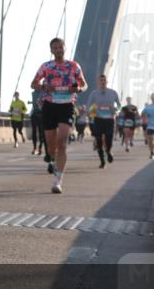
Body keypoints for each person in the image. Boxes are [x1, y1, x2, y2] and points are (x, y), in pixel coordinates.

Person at [30, 38, 86, 194]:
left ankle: (58, 181)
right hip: (49, 106)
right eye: (55, 48)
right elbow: (33, 84)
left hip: (67, 106)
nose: (58, 50)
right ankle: (52, 158)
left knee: (62, 142)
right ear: (51, 50)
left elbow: (84, 84)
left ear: (64, 48)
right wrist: (43, 86)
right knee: (51, 146)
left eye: (61, 47)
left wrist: (78, 89)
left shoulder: (74, 66)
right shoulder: (46, 66)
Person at [86, 74, 120, 168]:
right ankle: (102, 161)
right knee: (99, 140)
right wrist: (92, 112)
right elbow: (88, 106)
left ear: (107, 82)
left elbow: (119, 106)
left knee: (109, 140)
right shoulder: (94, 93)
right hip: (98, 119)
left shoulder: (113, 93)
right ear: (98, 82)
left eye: (104, 80)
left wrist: (115, 110)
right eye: (101, 80)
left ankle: (108, 152)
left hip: (109, 119)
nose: (102, 82)